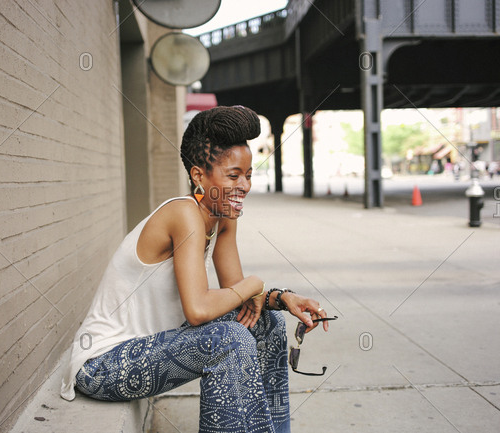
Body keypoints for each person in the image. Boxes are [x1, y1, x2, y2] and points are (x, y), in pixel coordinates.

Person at [60, 105, 331, 432]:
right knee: (229, 340)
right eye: (233, 175)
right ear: (199, 176)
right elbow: (199, 310)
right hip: (103, 365)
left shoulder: (223, 217)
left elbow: (240, 298)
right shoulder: (183, 214)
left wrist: (280, 297)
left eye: (248, 175)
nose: (244, 185)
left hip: (156, 345)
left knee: (267, 322)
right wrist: (256, 283)